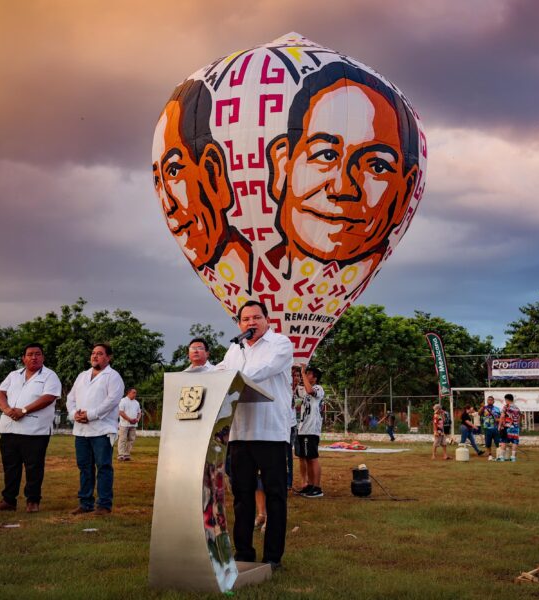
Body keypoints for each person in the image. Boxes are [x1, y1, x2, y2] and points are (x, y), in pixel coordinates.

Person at [266, 61, 420, 278]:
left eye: (376, 166)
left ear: (405, 194)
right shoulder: (246, 269)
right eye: (326, 156)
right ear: (282, 167)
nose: (343, 189)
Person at [152, 78, 253, 292]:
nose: (167, 205)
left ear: (212, 170)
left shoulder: (281, 263)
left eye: (174, 171)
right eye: (158, 181)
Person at [215, 300, 293, 571]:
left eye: (257, 317)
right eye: (246, 319)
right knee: (242, 495)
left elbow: (263, 371)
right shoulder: (234, 350)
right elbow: (219, 374)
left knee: (275, 496)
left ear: (267, 320)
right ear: (239, 324)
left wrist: (230, 377)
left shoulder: (281, 344)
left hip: (271, 432)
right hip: (238, 432)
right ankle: (244, 553)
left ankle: (273, 557)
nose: (251, 323)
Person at [0, 343, 62, 513]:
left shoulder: (49, 376)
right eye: (30, 354)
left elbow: (49, 397)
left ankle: (33, 501)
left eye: (38, 354)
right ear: (23, 358)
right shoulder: (14, 375)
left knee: (34, 467)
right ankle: (8, 501)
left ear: (43, 357)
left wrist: (24, 410)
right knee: (10, 467)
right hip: (9, 428)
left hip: (35, 430)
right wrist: (7, 410)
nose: (34, 357)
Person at [67, 343, 125, 515]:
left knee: (103, 466)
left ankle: (104, 505)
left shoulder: (113, 376)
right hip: (81, 430)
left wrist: (90, 414)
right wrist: (73, 414)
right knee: (84, 467)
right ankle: (85, 503)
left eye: (99, 353)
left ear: (108, 357)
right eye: (93, 353)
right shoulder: (82, 376)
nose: (95, 356)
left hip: (102, 429)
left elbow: (112, 400)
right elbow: (71, 398)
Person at [295, 365, 325, 498]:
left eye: (308, 374)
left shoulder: (318, 388)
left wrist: (302, 372)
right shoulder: (304, 390)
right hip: (303, 429)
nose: (306, 376)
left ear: (315, 377)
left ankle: (317, 487)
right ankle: (309, 485)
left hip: (311, 429)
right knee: (305, 458)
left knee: (313, 458)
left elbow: (310, 390)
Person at [117, 388, 140, 462]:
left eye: (135, 393)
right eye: (134, 392)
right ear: (129, 393)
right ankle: (121, 454)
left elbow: (139, 412)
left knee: (131, 439)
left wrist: (137, 419)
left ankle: (126, 454)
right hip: (124, 424)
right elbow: (121, 412)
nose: (135, 394)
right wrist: (129, 419)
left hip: (133, 425)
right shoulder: (123, 401)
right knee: (122, 439)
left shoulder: (136, 402)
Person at [497, 393, 521, 462]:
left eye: (505, 400)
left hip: (507, 427)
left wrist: (499, 425)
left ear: (507, 399)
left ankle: (501, 457)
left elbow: (502, 416)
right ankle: (513, 457)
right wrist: (517, 425)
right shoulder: (517, 408)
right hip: (515, 427)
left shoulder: (506, 407)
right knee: (515, 442)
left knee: (503, 441)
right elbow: (519, 418)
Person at [478, 395, 502, 461]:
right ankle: (490, 455)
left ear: (493, 401)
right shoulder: (484, 408)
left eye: (491, 400)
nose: (490, 401)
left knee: (498, 442)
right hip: (487, 428)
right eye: (489, 400)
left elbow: (501, 418)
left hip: (495, 428)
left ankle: (499, 455)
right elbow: (479, 413)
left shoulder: (497, 409)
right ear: (487, 401)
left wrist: (499, 421)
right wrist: (482, 407)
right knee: (488, 443)